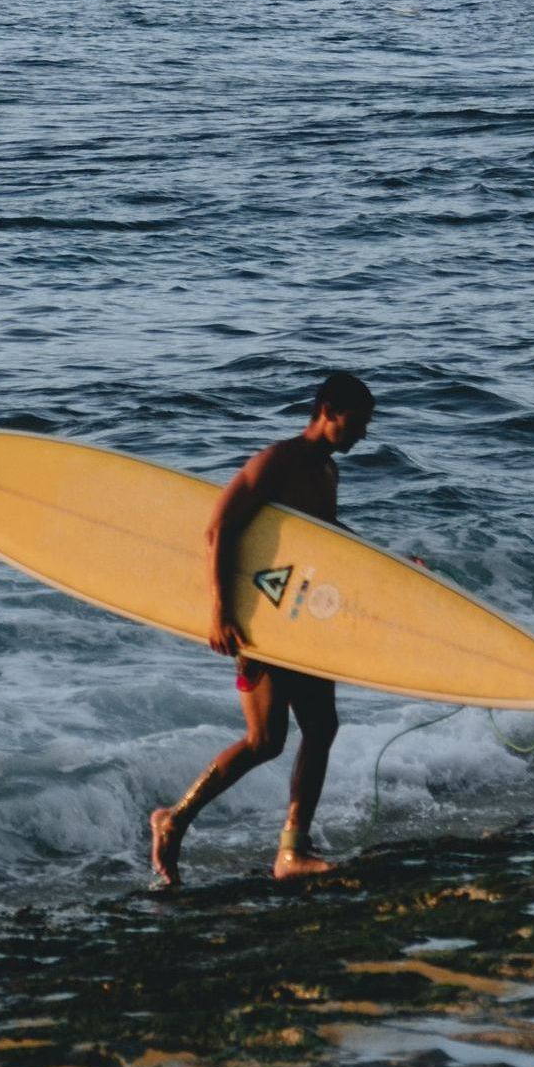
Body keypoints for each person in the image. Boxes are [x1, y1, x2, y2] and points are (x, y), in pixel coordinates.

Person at [149, 372, 376, 888]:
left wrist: (392, 569)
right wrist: (221, 613)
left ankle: (292, 850)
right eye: (358, 423)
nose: (363, 435)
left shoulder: (327, 474)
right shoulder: (278, 462)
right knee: (264, 740)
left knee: (320, 728)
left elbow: (326, 542)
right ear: (327, 410)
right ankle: (173, 820)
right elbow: (219, 528)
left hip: (298, 620)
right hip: (259, 622)